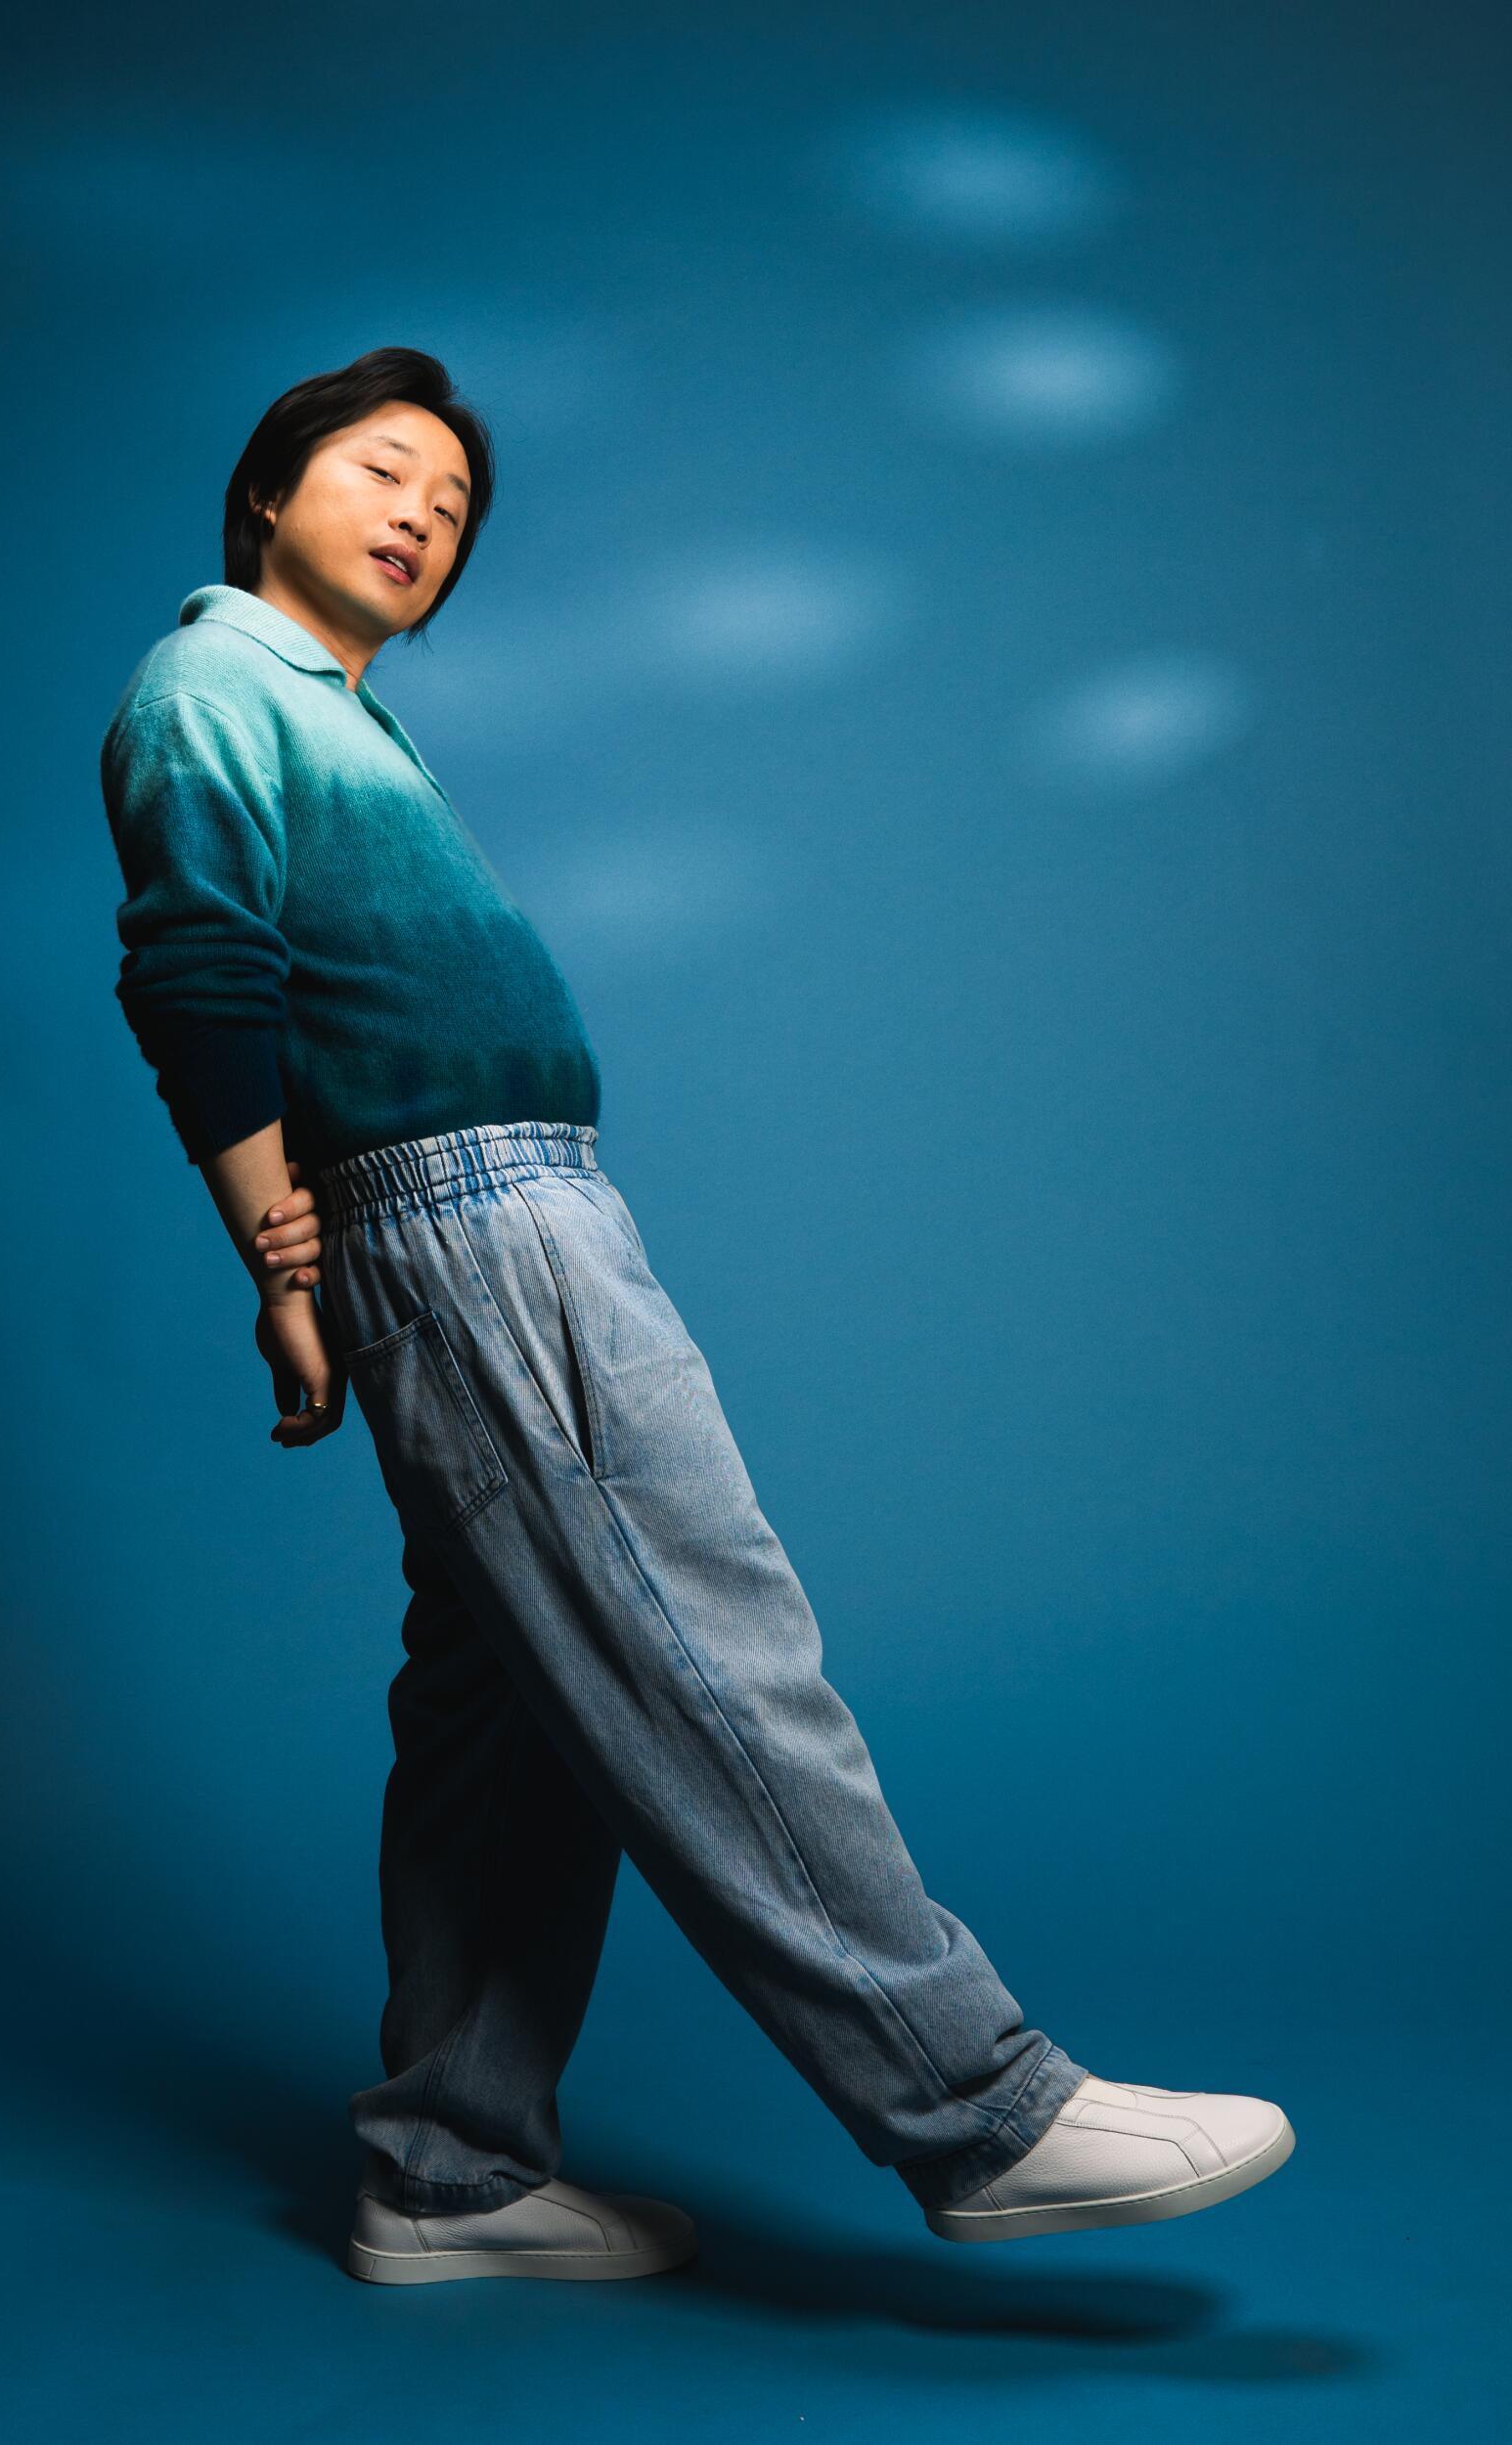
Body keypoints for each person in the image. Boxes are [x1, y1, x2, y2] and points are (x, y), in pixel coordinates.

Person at [98, 348, 1295, 2287]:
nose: (419, 513)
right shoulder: (212, 684)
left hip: (511, 1214)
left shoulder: (337, 711)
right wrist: (287, 1267)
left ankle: (452, 2172)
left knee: (524, 1723)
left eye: (453, 507)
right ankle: (978, 2109)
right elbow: (197, 977)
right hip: (475, 1228)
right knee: (701, 1644)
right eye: (382, 470)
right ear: (265, 495)